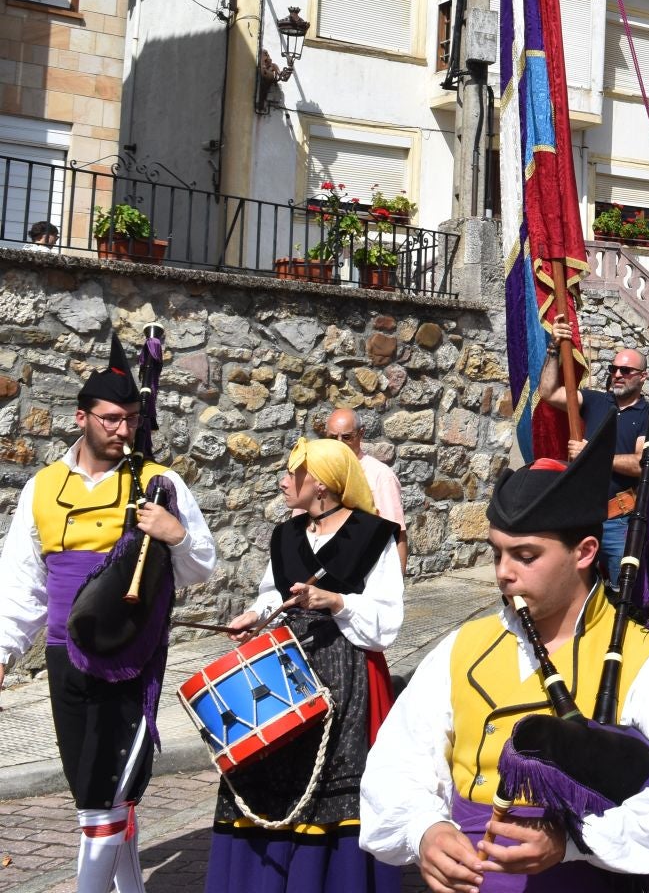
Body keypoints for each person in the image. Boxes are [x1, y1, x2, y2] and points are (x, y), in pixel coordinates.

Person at [361, 434, 649, 892]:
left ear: (585, 552)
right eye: (497, 553)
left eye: (526, 555)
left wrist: (574, 839)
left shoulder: (648, 661)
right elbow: (397, 762)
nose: (503, 572)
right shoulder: (461, 648)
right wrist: (424, 830)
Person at [0, 336, 217, 893]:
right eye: (111, 419)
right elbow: (22, 583)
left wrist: (176, 536)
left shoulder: (160, 483)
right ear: (82, 418)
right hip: (62, 651)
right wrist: (2, 653)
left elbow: (202, 567)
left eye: (131, 419)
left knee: (104, 787)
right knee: (91, 788)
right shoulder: (42, 487)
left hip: (129, 650)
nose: (123, 430)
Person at [210, 438, 404, 892]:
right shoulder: (286, 535)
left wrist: (335, 600)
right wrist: (254, 617)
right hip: (285, 671)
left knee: (335, 783)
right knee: (267, 775)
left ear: (319, 483)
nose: (282, 480)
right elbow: (273, 594)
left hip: (346, 674)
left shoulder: (374, 534)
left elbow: (388, 619)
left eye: (292, 472)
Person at [538, 348, 649, 585]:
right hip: (580, 517)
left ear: (643, 376)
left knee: (624, 597)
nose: (617, 374)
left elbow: (642, 464)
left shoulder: (648, 416)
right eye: (613, 369)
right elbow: (548, 392)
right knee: (575, 594)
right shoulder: (595, 401)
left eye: (626, 370)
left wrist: (593, 454)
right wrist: (554, 350)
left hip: (618, 521)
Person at [324, 407, 408, 568]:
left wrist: (397, 585)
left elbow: (397, 534)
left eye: (347, 437)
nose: (339, 444)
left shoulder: (380, 476)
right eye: (333, 438)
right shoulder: (316, 472)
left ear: (361, 433)